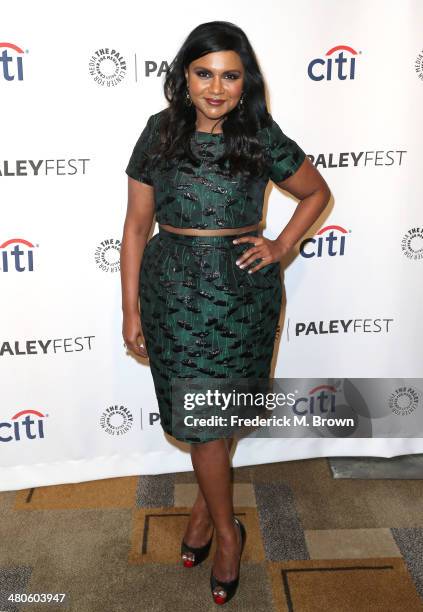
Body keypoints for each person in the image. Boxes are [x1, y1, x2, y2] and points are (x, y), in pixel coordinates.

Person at [120, 20, 330, 605]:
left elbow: (315, 192)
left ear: (246, 81)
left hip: (242, 291)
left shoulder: (259, 134)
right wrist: (130, 306)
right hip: (173, 290)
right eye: (204, 73)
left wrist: (282, 245)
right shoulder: (158, 133)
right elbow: (137, 227)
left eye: (230, 76)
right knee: (203, 423)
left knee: (218, 413)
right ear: (184, 76)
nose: (217, 87)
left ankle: (216, 525)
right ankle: (223, 522)